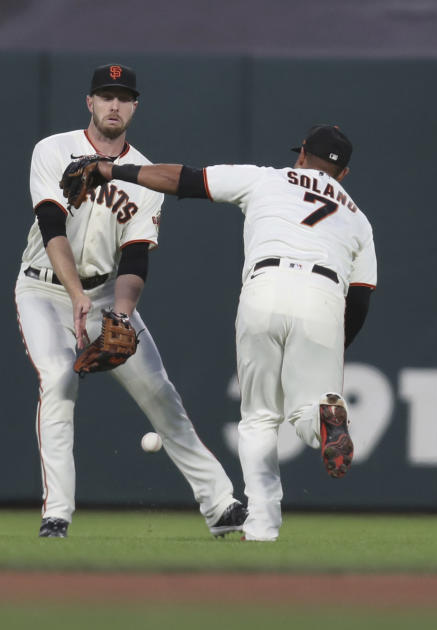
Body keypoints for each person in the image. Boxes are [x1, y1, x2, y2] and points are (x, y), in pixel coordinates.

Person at [72, 125, 376, 541]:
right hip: (324, 295)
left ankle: (263, 528)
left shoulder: (269, 177)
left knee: (258, 419)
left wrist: (113, 171)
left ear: (301, 155)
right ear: (342, 176)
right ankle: (326, 417)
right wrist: (332, 349)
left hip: (264, 287)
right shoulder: (359, 220)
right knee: (306, 413)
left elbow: (185, 180)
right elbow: (358, 301)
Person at [13, 63, 246, 539]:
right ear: (90, 103)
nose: (114, 104)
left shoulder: (145, 175)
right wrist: (76, 295)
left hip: (103, 294)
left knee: (160, 391)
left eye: (123, 97)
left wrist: (119, 313)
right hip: (43, 289)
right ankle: (56, 514)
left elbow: (135, 260)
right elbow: (51, 226)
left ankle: (221, 505)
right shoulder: (53, 150)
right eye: (105, 95)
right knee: (59, 380)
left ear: (135, 106)